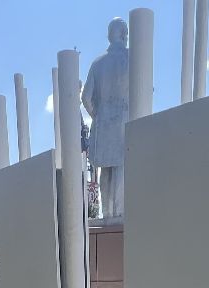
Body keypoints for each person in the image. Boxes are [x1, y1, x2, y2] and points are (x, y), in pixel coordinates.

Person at [82, 17, 129, 218]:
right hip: (124, 122)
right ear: (124, 34)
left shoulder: (97, 63)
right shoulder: (131, 58)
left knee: (105, 172)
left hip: (103, 124)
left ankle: (108, 215)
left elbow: (85, 97)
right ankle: (119, 214)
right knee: (121, 169)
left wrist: (98, 115)